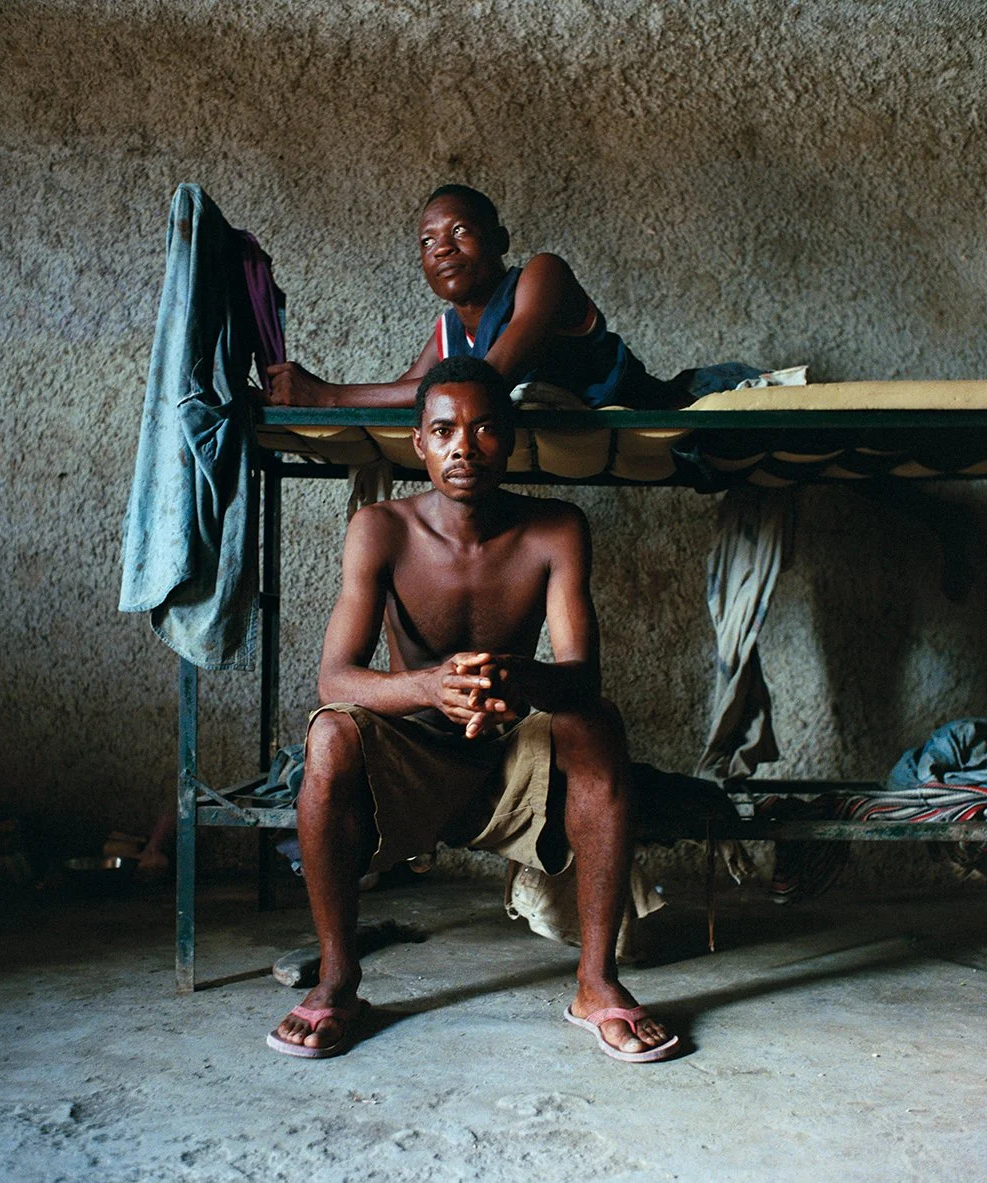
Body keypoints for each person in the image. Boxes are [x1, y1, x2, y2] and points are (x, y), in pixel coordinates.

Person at [266, 356, 680, 1063]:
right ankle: (338, 980)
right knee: (331, 735)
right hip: (410, 755)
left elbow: (582, 676)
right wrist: (429, 686)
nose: (465, 446)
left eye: (485, 429)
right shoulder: (380, 529)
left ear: (512, 441)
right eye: (444, 430)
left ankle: (595, 981)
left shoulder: (556, 528)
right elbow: (334, 676)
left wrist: (521, 682)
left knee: (598, 722)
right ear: (418, 443)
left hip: (511, 757)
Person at [264, 184, 701, 410]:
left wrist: (329, 395)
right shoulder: (448, 331)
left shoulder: (542, 275)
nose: (442, 248)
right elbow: (404, 392)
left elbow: (482, 380)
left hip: (672, 406)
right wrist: (281, 395)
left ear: (500, 240)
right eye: (426, 242)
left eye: (459, 231)